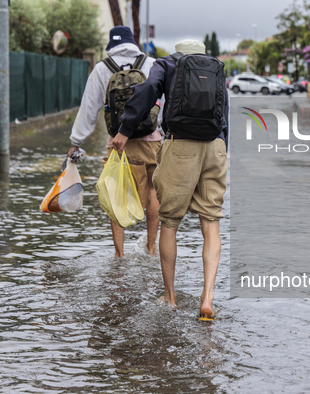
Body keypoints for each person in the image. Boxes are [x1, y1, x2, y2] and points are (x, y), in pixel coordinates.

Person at [112, 39, 228, 321]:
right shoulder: (216, 69)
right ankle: (208, 297)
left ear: (178, 51)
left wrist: (125, 129)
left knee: (170, 223)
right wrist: (223, 149)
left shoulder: (166, 63)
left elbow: (148, 92)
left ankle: (170, 297)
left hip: (180, 147)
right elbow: (224, 113)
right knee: (211, 223)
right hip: (215, 147)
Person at [68, 26, 162, 258]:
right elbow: (164, 102)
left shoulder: (102, 68)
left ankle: (119, 255)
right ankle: (151, 249)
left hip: (118, 142)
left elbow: (89, 108)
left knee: (116, 194)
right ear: (133, 42)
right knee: (152, 191)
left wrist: (76, 141)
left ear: (112, 45)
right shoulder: (151, 64)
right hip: (150, 139)